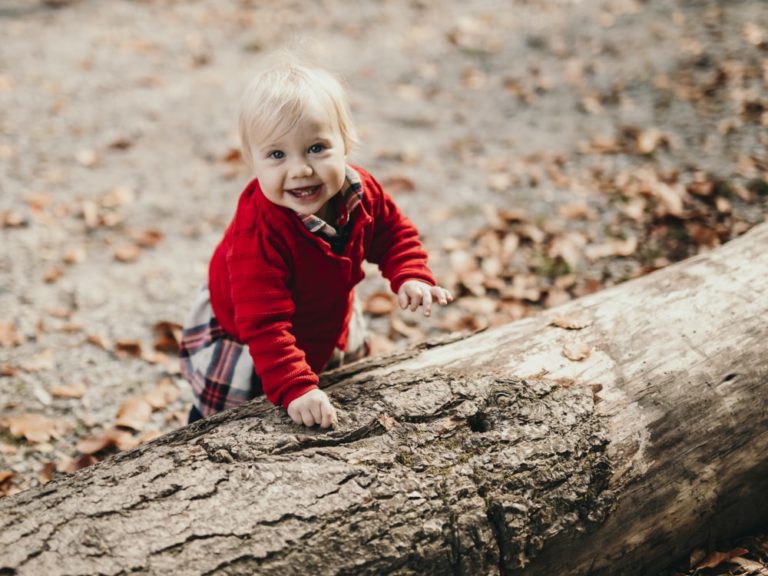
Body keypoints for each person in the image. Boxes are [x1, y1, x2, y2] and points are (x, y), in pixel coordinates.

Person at [179, 59, 452, 429]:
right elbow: (264, 323)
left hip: (324, 312)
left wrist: (410, 274)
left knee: (334, 380)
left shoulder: (361, 192)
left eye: (317, 148)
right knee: (230, 419)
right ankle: (201, 436)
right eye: (277, 155)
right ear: (252, 162)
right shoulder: (259, 234)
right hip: (253, 332)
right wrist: (295, 387)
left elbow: (391, 232)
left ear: (346, 144)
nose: (300, 169)